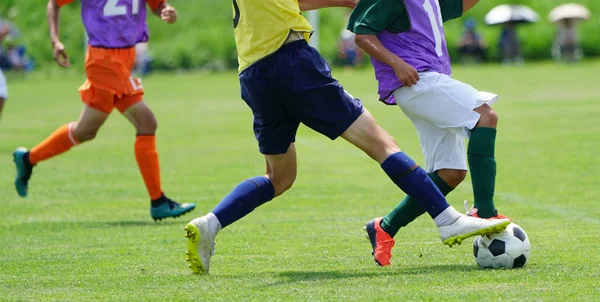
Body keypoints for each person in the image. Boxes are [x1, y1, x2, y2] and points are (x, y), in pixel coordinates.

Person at [183, 0, 510, 274]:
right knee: (381, 142)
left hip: (252, 73)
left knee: (278, 177)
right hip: (290, 59)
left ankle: (211, 223)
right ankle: (446, 218)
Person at [347, 0, 511, 266]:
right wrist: (396, 63)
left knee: (450, 173)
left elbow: (460, 5)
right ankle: (485, 210)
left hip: (429, 82)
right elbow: (363, 35)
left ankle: (385, 227)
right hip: (417, 81)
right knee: (485, 116)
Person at [12, 0, 195, 221]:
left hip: (125, 59)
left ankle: (29, 158)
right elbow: (54, 3)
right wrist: (55, 40)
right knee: (146, 122)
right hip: (103, 60)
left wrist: (165, 11)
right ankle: (158, 202)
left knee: (85, 131)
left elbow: (157, 5)